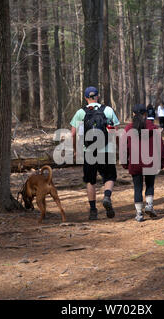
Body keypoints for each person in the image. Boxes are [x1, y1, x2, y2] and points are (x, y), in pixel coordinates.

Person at [70, 86, 120, 221]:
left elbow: (73, 134)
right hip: (106, 150)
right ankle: (107, 196)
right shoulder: (108, 110)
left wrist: (75, 150)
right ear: (97, 96)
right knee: (109, 177)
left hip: (89, 151)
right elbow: (115, 131)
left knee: (90, 181)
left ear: (86, 98)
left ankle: (93, 211)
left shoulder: (80, 113)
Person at [122, 104, 164, 222]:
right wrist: (161, 161)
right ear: (146, 114)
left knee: (137, 187)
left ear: (133, 114)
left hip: (135, 163)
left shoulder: (128, 129)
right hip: (150, 162)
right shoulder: (154, 128)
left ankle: (139, 214)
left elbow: (124, 148)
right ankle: (149, 206)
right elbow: (160, 147)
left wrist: (125, 163)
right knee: (150, 184)